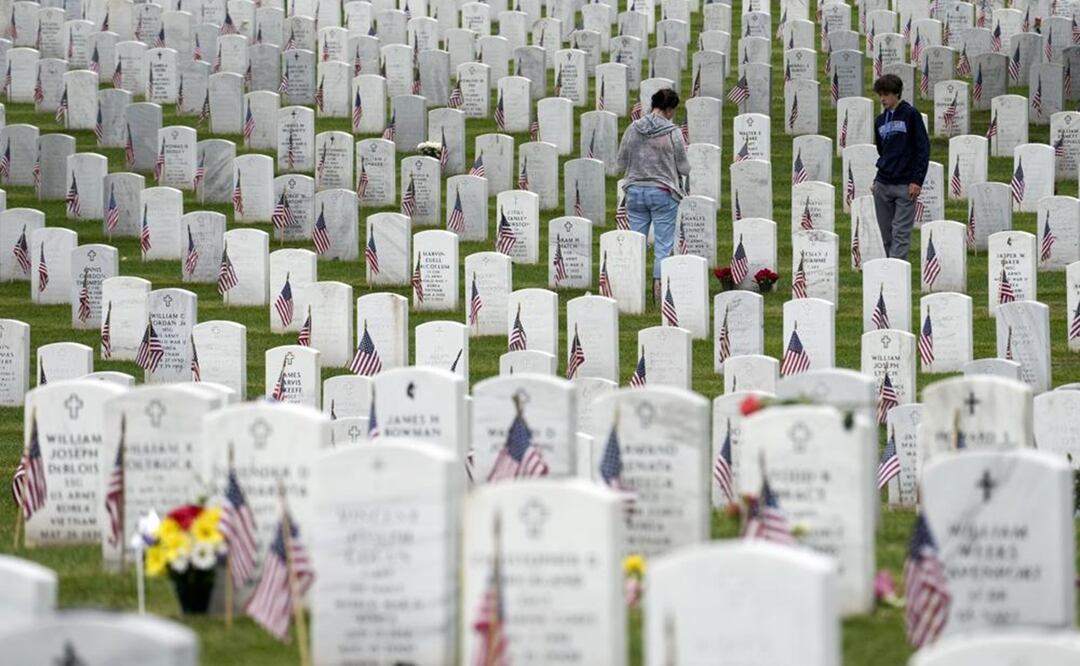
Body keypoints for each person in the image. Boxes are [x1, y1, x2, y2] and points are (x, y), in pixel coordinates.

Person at [615, 88, 691, 302]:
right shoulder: (673, 132)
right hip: (662, 191)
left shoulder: (633, 128)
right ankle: (659, 292)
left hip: (635, 191)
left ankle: (632, 290)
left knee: (635, 244)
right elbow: (684, 167)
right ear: (669, 110)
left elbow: (620, 163)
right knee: (663, 245)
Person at [871, 74, 930, 259]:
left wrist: (917, 180)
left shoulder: (911, 115)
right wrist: (877, 181)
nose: (882, 99)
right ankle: (891, 266)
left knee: (901, 233)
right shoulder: (880, 120)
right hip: (883, 183)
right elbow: (883, 152)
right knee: (886, 233)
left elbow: (923, 149)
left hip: (905, 184)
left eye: (886, 94)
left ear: (896, 93)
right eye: (880, 95)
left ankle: (896, 269)